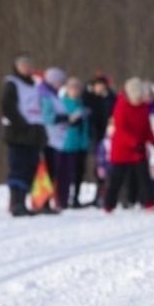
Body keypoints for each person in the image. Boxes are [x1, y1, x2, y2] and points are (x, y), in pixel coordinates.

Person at [2, 52, 47, 216]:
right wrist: (22, 125)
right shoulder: (12, 83)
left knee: (30, 169)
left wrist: (41, 133)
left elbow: (38, 111)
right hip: (18, 134)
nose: (27, 67)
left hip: (33, 135)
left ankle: (22, 201)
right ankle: (16, 203)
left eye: (29, 64)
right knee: (18, 168)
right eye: (23, 64)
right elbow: (8, 107)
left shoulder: (35, 85)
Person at [105, 77, 154, 213]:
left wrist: (153, 141)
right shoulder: (121, 106)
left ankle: (149, 202)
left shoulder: (144, 107)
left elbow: (146, 127)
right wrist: (135, 144)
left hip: (138, 149)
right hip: (122, 149)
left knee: (144, 177)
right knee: (117, 178)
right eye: (136, 98)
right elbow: (122, 130)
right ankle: (109, 204)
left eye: (140, 98)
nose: (138, 101)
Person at [82, 73, 116, 207]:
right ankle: (98, 193)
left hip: (107, 136)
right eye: (97, 86)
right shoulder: (90, 98)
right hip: (94, 136)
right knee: (97, 167)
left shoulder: (110, 99)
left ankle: (106, 194)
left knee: (107, 166)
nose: (99, 88)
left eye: (102, 86)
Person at [56, 77, 91, 209]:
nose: (75, 90)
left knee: (79, 172)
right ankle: (62, 198)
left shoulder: (81, 104)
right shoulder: (62, 103)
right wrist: (72, 119)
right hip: (67, 143)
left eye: (77, 88)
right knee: (65, 173)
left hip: (81, 143)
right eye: (72, 88)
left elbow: (85, 124)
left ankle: (75, 198)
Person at [39, 67, 68, 211]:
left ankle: (48, 201)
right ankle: (43, 202)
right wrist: (63, 118)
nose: (61, 85)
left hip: (57, 139)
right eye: (59, 82)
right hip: (47, 138)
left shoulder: (55, 95)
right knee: (47, 171)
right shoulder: (44, 95)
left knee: (53, 171)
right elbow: (46, 116)